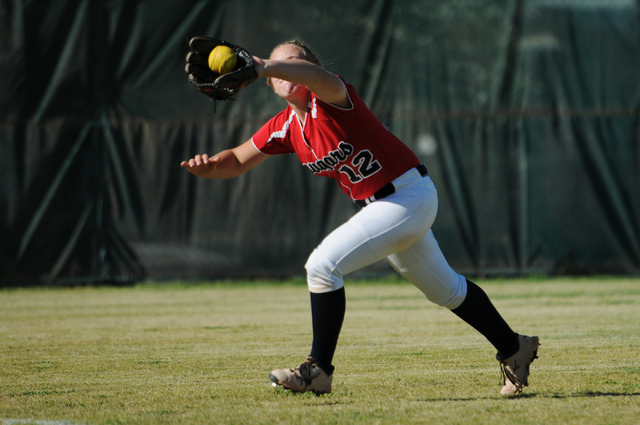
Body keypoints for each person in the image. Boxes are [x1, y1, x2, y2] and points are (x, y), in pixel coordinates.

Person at [181, 40, 539, 396]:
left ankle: (318, 369)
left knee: (322, 265)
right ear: (271, 86)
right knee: (447, 290)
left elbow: (316, 76)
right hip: (385, 209)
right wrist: (209, 167)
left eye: (294, 60)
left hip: (408, 195)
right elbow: (238, 159)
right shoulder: (286, 126)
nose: (285, 66)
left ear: (309, 69)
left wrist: (264, 65)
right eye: (278, 66)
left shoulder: (333, 96)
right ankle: (514, 347)